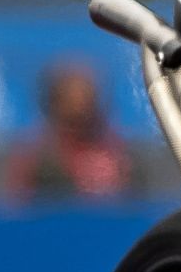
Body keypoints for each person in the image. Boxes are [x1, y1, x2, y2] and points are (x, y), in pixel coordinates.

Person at [8, 57, 135, 202]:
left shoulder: (115, 153)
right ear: (54, 104)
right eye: (72, 101)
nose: (81, 109)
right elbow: (18, 201)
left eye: (88, 100)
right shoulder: (36, 157)